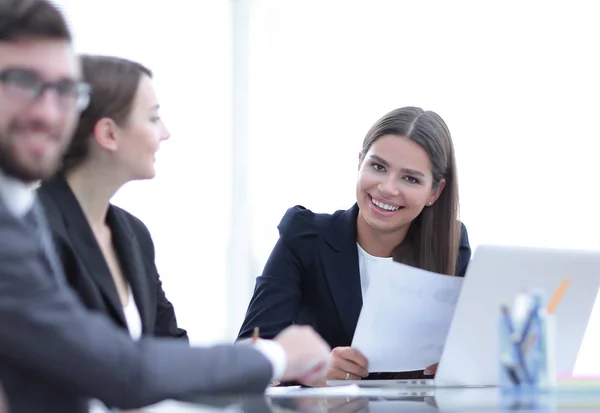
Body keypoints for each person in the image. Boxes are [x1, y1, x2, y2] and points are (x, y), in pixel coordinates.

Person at [0, 1, 330, 412]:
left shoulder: (121, 231)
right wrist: (273, 356)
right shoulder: (27, 225)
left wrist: (252, 363)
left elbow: (164, 354)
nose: (49, 112)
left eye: (66, 91)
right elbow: (115, 370)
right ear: (108, 134)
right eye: (20, 81)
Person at [237, 106, 471, 382]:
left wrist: (458, 369)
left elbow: (474, 353)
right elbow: (247, 353)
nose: (387, 187)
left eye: (410, 178)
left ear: (435, 191)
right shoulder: (305, 237)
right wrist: (312, 369)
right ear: (360, 162)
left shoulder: (451, 246)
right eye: (378, 166)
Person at [38, 55, 186, 342]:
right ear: (108, 133)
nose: (165, 133)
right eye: (153, 118)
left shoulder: (134, 233)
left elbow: (169, 347)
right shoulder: (33, 228)